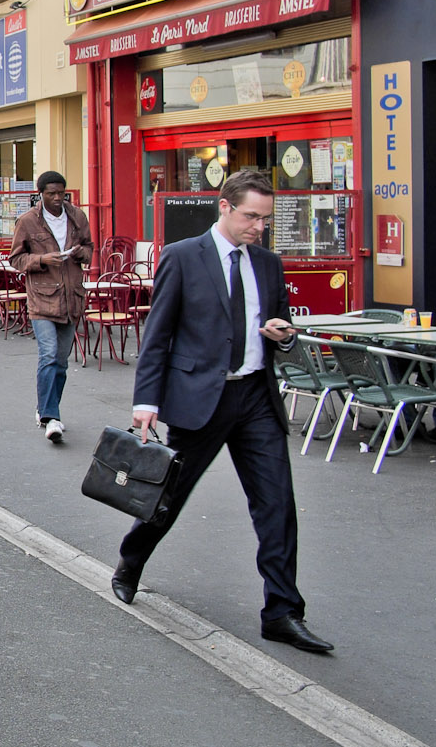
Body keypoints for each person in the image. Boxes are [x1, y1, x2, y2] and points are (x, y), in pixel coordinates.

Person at [115, 170, 334, 654]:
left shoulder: (269, 264)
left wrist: (285, 333)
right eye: (252, 216)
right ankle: (132, 560)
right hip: (201, 399)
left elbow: (282, 324)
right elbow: (158, 335)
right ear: (225, 207)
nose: (260, 226)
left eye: (265, 219)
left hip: (255, 397)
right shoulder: (182, 256)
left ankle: (282, 612)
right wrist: (146, 401)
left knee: (277, 506)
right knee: (168, 498)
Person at [7, 171, 93, 443]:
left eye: (61, 193)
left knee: (61, 361)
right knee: (49, 354)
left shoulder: (77, 217)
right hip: (42, 300)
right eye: (51, 194)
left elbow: (90, 248)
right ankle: (50, 418)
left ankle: (44, 407)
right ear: (40, 194)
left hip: (71, 300)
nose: (57, 198)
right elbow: (16, 259)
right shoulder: (28, 222)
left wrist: (81, 253)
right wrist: (43, 259)